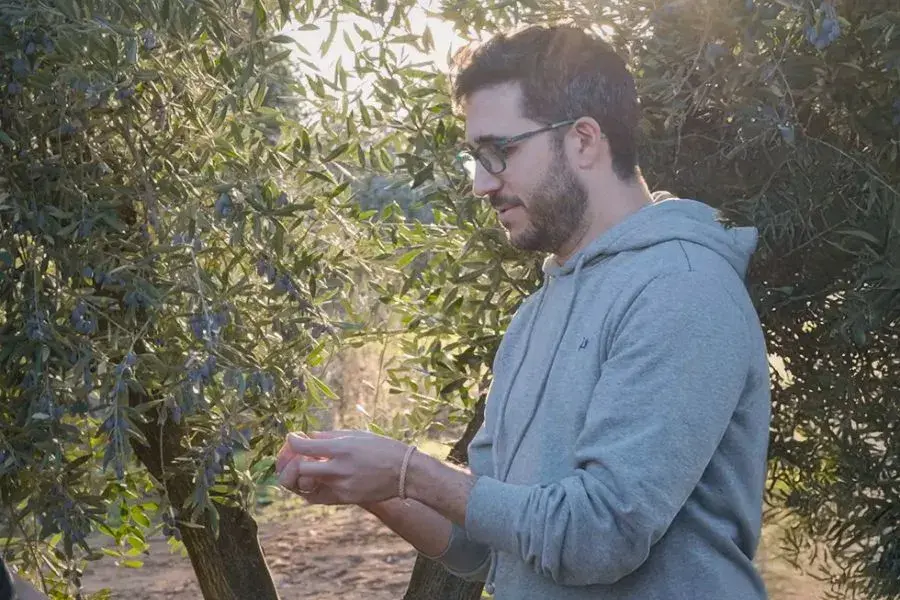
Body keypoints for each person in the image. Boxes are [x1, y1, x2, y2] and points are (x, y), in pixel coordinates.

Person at [276, 24, 772, 600]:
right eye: (475, 158)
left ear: (583, 140)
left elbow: (599, 536)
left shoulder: (682, 288)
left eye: (499, 152)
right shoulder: (536, 315)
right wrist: (372, 483)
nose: (481, 184)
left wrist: (411, 470)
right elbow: (484, 544)